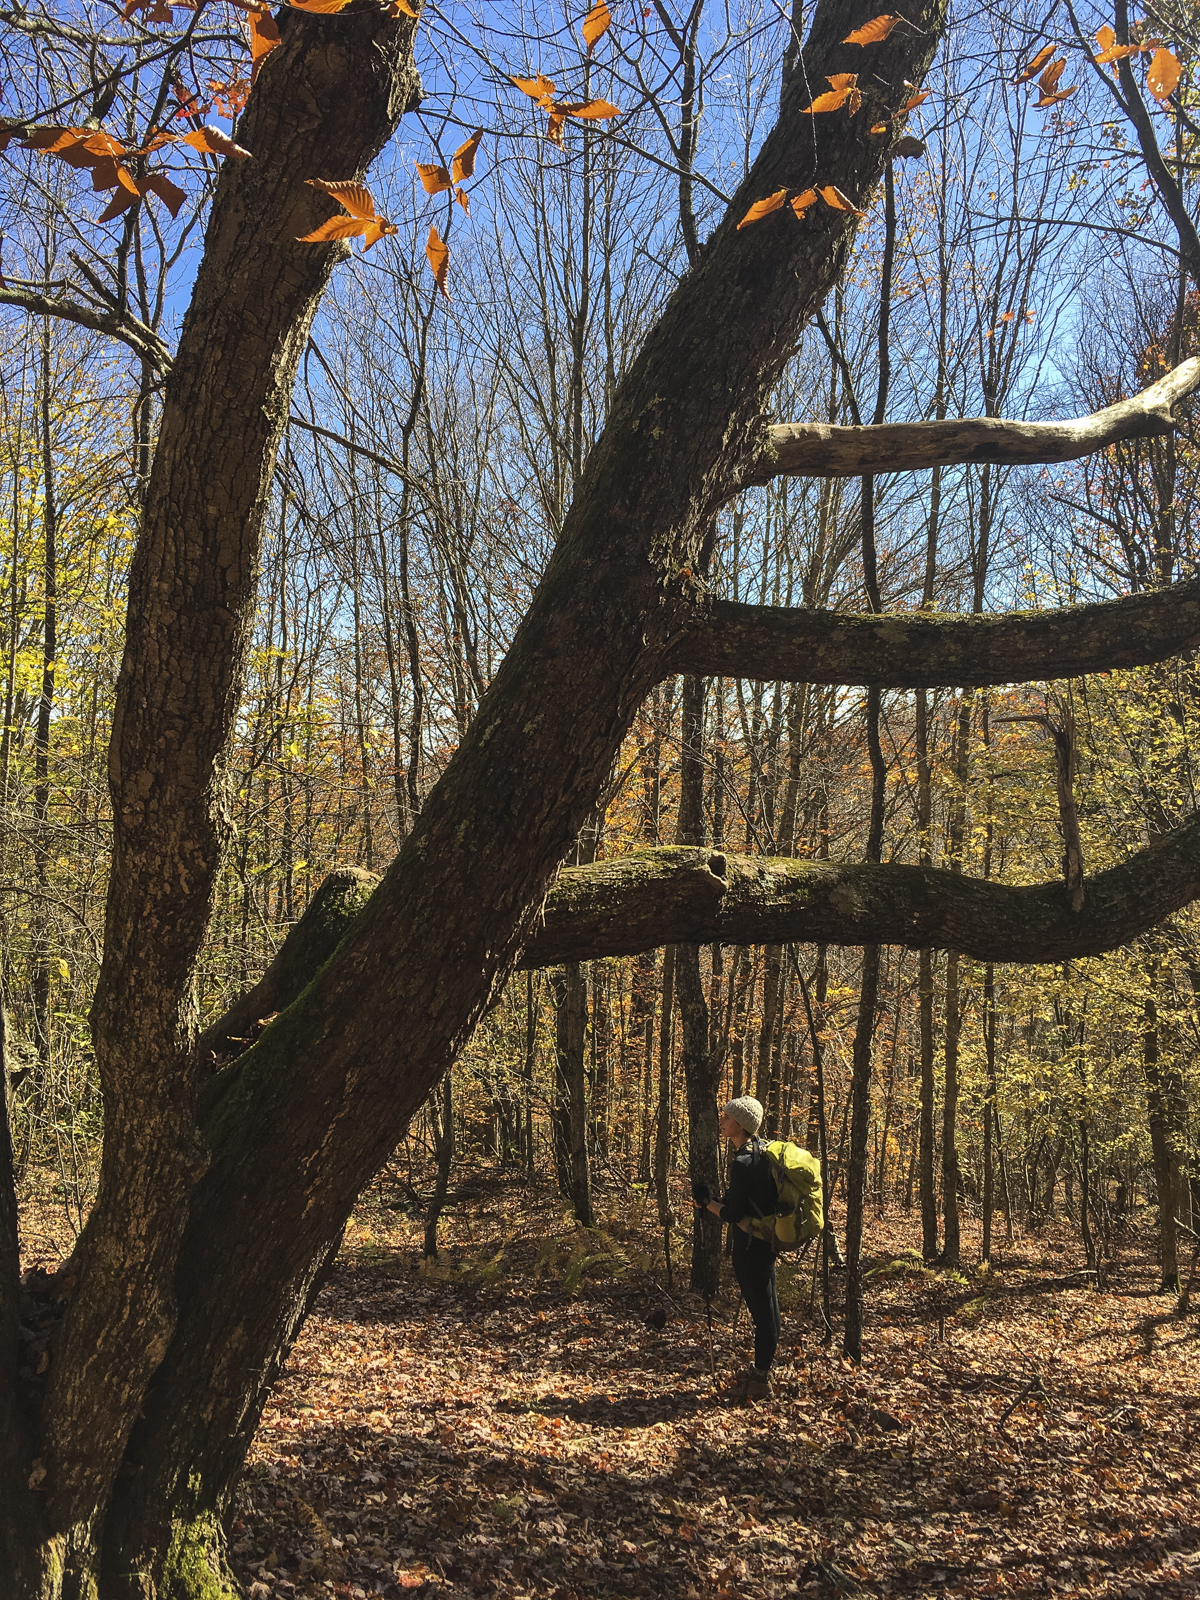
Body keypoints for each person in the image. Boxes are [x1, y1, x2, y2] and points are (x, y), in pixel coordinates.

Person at [692, 1095, 780, 1401]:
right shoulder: (761, 1152)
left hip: (750, 1247)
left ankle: (760, 1380)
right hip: (765, 1243)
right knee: (769, 1312)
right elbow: (748, 1201)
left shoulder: (743, 1161)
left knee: (763, 1316)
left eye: (727, 1117)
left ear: (740, 1125)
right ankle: (761, 1374)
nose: (722, 1120)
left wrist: (706, 1202)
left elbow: (733, 1214)